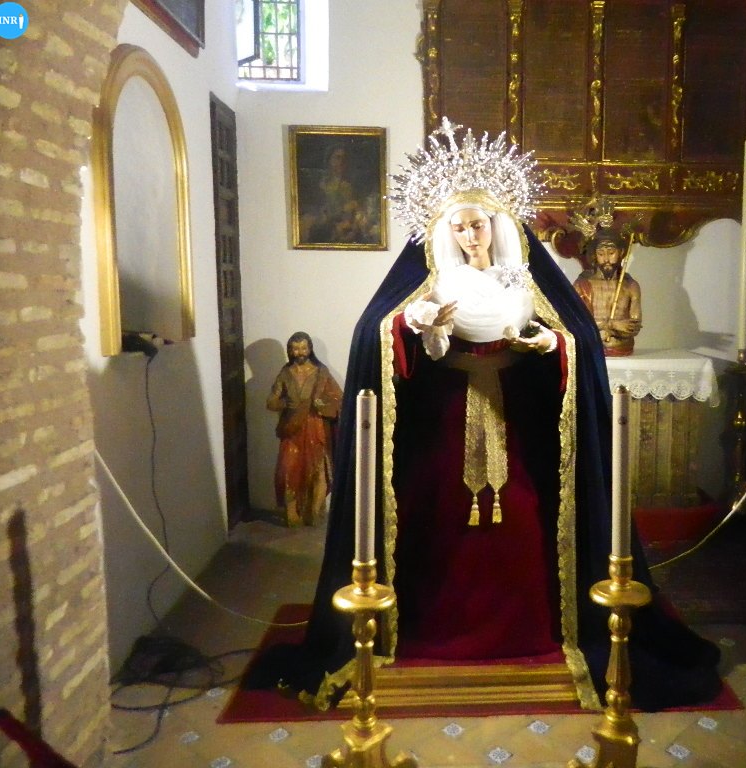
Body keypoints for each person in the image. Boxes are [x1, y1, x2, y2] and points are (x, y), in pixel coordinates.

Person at [244, 120, 720, 712]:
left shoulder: (526, 277)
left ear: (499, 223)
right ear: (444, 230)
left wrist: (550, 345)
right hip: (442, 424)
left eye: (479, 223)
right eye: (460, 226)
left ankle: (535, 630)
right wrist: (415, 326)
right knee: (432, 515)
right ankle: (424, 631)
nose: (471, 234)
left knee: (528, 515)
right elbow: (379, 332)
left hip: (520, 422)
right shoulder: (432, 279)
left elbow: (574, 339)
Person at [266, 332, 343, 527]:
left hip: (316, 428)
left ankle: (314, 513)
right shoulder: (285, 373)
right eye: (295, 348)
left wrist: (322, 404)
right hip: (292, 429)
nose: (299, 352)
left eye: (303, 348)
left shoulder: (321, 372)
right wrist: (285, 403)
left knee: (318, 471)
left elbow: (338, 398)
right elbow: (271, 402)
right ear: (290, 350)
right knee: (287, 470)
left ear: (310, 349)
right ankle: (292, 514)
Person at [573, 229, 642, 356]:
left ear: (621, 252)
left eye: (611, 253)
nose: (606, 259)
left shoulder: (631, 286)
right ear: (595, 255)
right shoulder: (581, 285)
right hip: (592, 349)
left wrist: (604, 327)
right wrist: (611, 325)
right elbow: (577, 322)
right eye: (601, 254)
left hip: (622, 347)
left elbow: (633, 326)